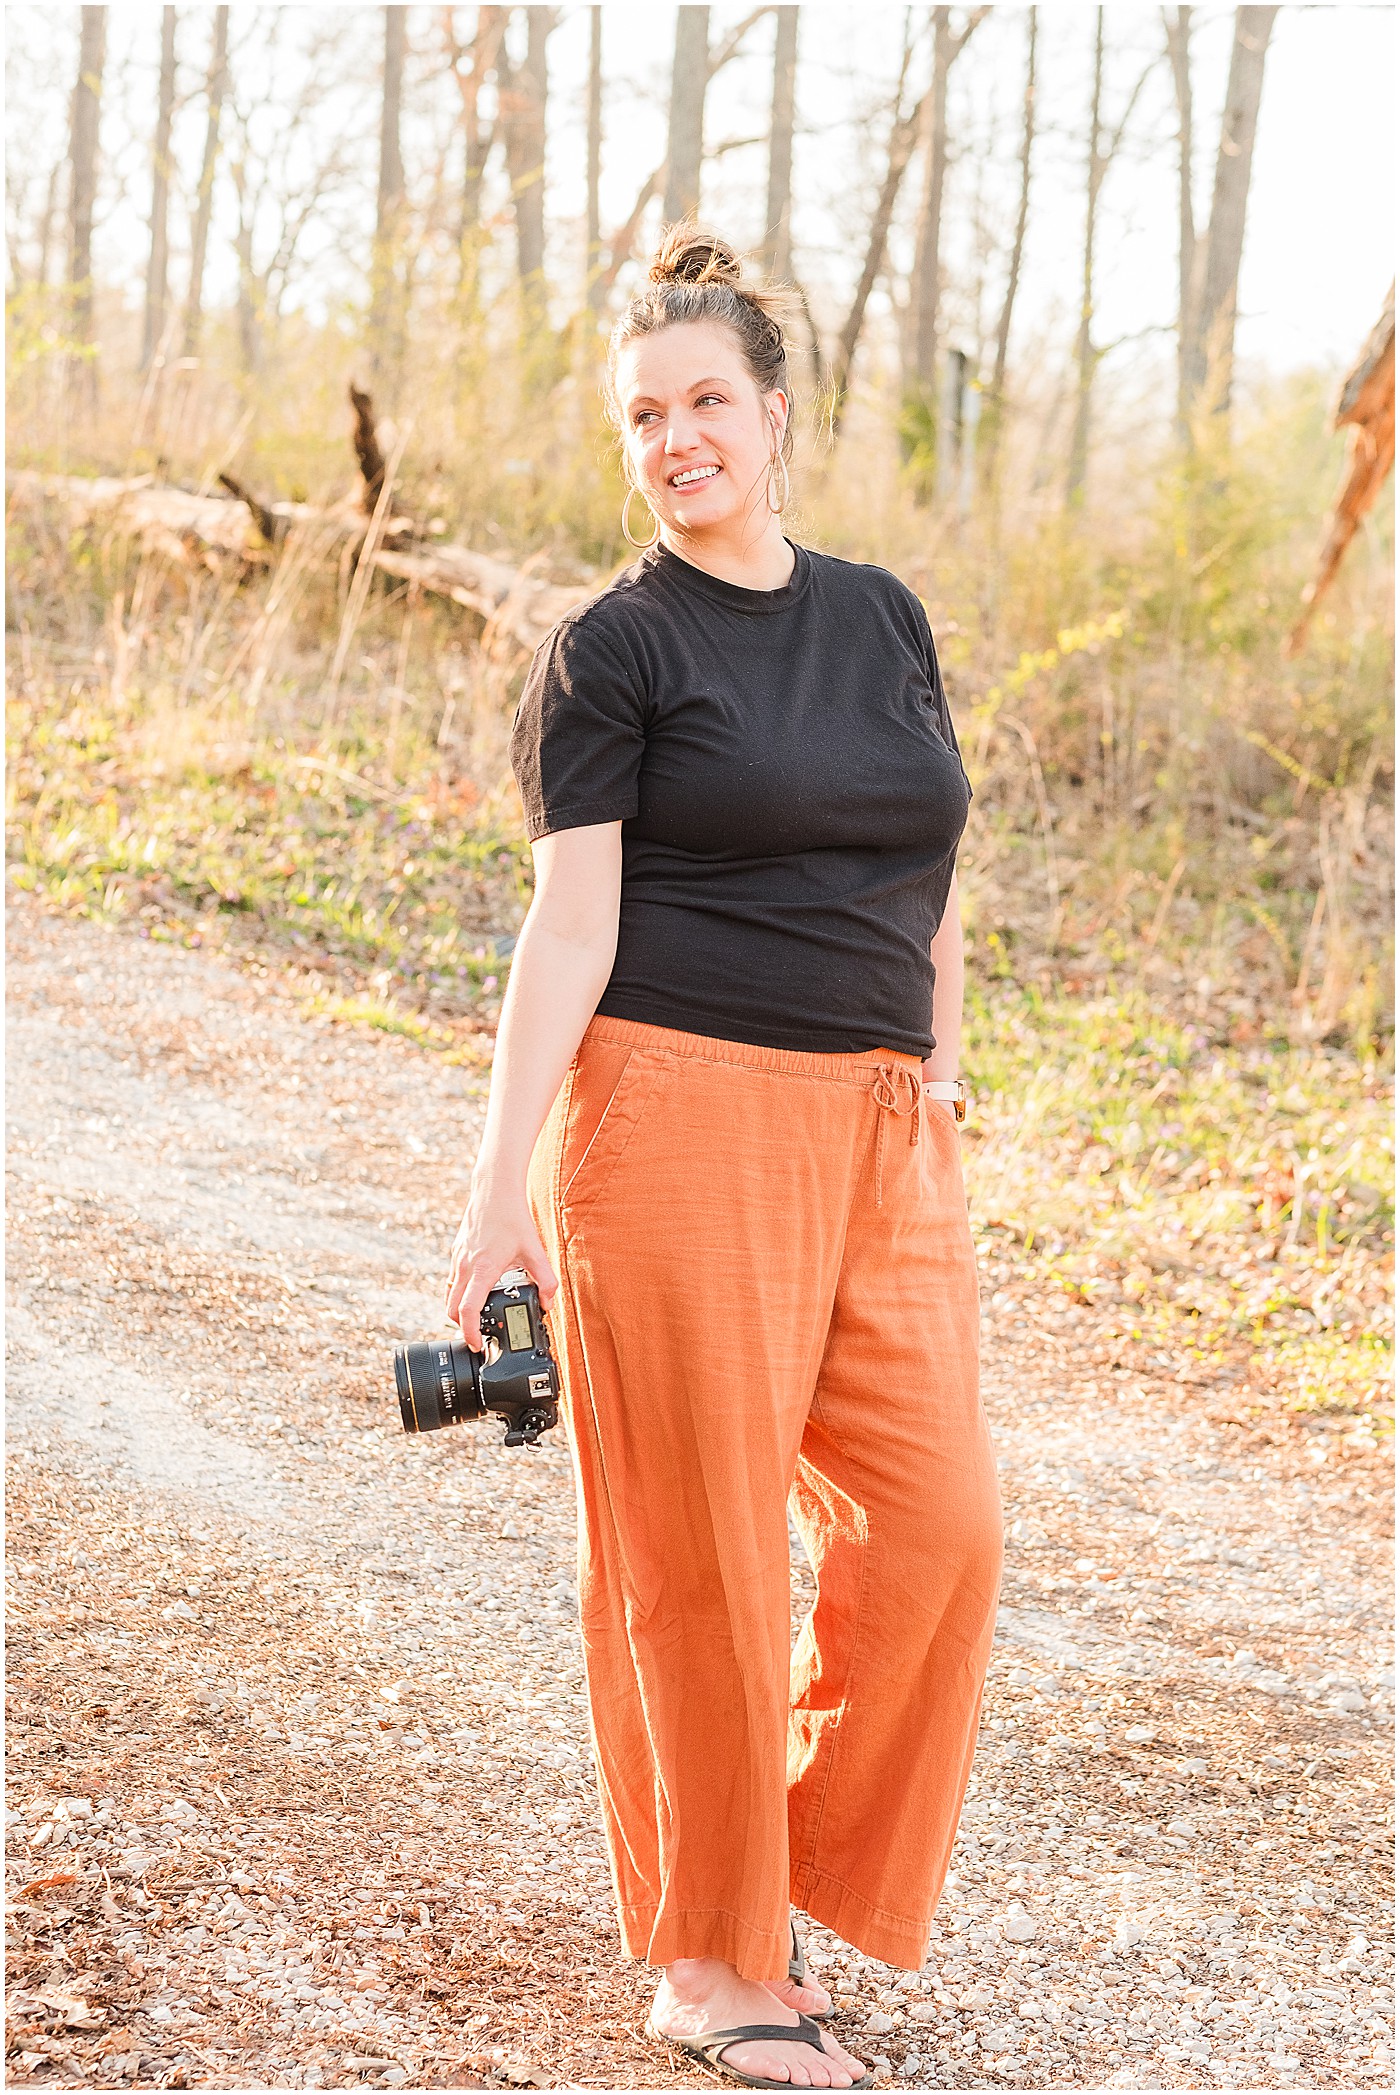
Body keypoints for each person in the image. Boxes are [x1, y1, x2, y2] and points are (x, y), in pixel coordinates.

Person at [445, 224, 1003, 2093]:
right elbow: (566, 933)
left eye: (705, 403)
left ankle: (783, 1871)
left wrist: (936, 1067)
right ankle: (711, 1956)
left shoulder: (883, 616)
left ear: (774, 414)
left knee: (938, 1529)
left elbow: (927, 861)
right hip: (673, 1120)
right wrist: (492, 1198)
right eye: (644, 417)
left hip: (877, 1127)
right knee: (699, 1567)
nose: (677, 438)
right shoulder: (610, 651)